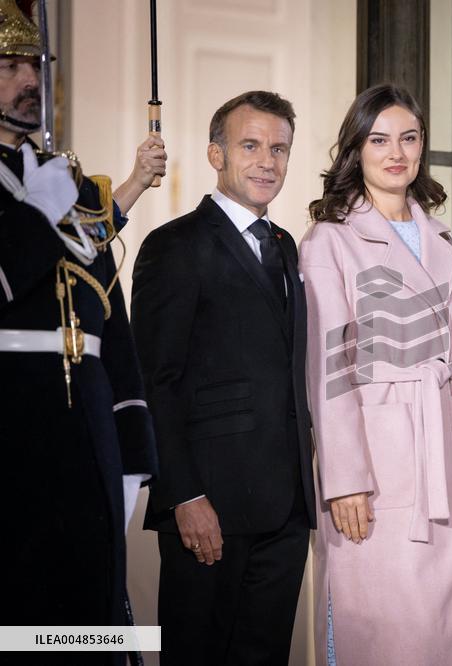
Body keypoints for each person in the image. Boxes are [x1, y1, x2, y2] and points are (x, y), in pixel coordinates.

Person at [0, 0, 162, 651]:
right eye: (9, 66)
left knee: (85, 619)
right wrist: (38, 216)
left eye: (33, 64)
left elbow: (104, 307)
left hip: (87, 419)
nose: (28, 78)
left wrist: (133, 443)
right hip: (13, 418)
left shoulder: (63, 178)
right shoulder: (48, 192)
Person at [131, 91, 315, 665]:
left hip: (285, 509)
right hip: (208, 503)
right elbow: (156, 380)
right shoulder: (173, 245)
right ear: (216, 154)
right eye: (251, 145)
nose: (268, 161)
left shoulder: (286, 247)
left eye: (280, 149)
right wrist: (183, 494)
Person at [301, 84, 452, 666]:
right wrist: (344, 479)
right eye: (379, 139)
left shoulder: (443, 245)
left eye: (408, 138)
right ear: (357, 148)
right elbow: (328, 367)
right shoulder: (330, 239)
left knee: (440, 627)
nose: (396, 152)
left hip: (439, 446)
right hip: (375, 465)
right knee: (379, 630)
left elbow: (449, 361)